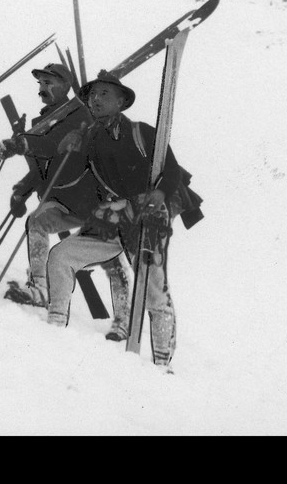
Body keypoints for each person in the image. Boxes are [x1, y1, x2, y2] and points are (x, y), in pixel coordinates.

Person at [46, 70, 203, 368]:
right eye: (93, 94)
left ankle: (162, 365)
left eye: (105, 93)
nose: (96, 99)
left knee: (153, 290)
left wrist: (158, 196)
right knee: (60, 256)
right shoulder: (89, 138)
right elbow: (69, 182)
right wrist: (66, 149)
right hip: (113, 219)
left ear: (121, 101)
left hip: (147, 217)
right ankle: (54, 330)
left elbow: (170, 171)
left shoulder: (142, 132)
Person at [0, 63, 130, 341]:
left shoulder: (80, 112)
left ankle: (123, 321)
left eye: (50, 82)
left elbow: (52, 145)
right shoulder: (40, 122)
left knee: (113, 260)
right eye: (41, 83)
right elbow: (43, 168)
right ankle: (40, 287)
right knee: (38, 221)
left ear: (66, 86)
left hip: (93, 198)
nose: (43, 88)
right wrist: (21, 191)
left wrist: (20, 144)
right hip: (65, 199)